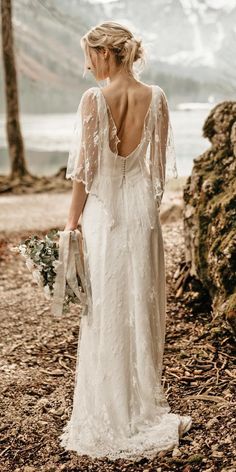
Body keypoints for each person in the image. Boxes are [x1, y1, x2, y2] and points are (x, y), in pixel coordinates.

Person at [59, 20, 192, 461]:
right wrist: (145, 212)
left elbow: (86, 168)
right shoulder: (157, 98)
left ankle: (112, 409)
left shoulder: (94, 99)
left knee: (106, 309)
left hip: (105, 213)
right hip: (141, 213)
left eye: (91, 55)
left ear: (107, 53)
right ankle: (140, 406)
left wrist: (73, 220)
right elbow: (156, 173)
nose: (87, 64)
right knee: (139, 302)